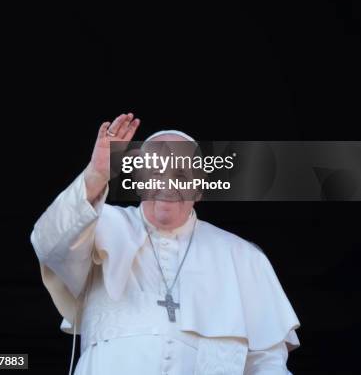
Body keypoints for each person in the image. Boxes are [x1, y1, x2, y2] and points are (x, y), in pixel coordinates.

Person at [30, 113, 300, 375]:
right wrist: (96, 175)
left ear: (200, 188)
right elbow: (48, 242)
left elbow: (268, 362)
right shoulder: (97, 223)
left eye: (181, 176)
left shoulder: (242, 256)